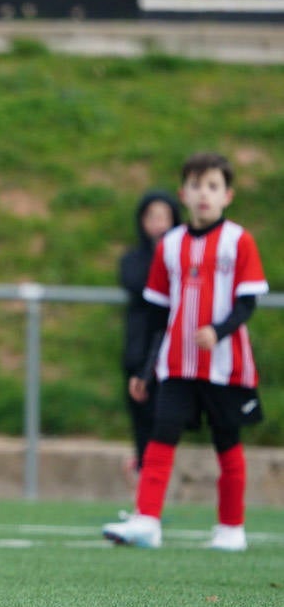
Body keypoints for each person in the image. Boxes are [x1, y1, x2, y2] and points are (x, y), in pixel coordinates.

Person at [103, 153, 267, 552]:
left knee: (226, 441)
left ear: (227, 194)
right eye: (196, 186)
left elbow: (247, 303)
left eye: (212, 186)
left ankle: (231, 527)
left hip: (225, 367)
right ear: (184, 194)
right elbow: (159, 313)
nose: (203, 194)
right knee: (161, 435)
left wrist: (218, 330)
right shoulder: (170, 246)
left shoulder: (238, 240)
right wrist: (145, 369)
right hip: (176, 364)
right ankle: (147, 520)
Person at [117, 190, 181, 489]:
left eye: (164, 217)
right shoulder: (134, 260)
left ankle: (154, 488)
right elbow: (140, 285)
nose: (159, 224)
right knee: (142, 421)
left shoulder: (184, 257)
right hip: (141, 349)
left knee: (165, 423)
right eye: (152, 217)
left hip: (174, 351)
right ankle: (145, 489)